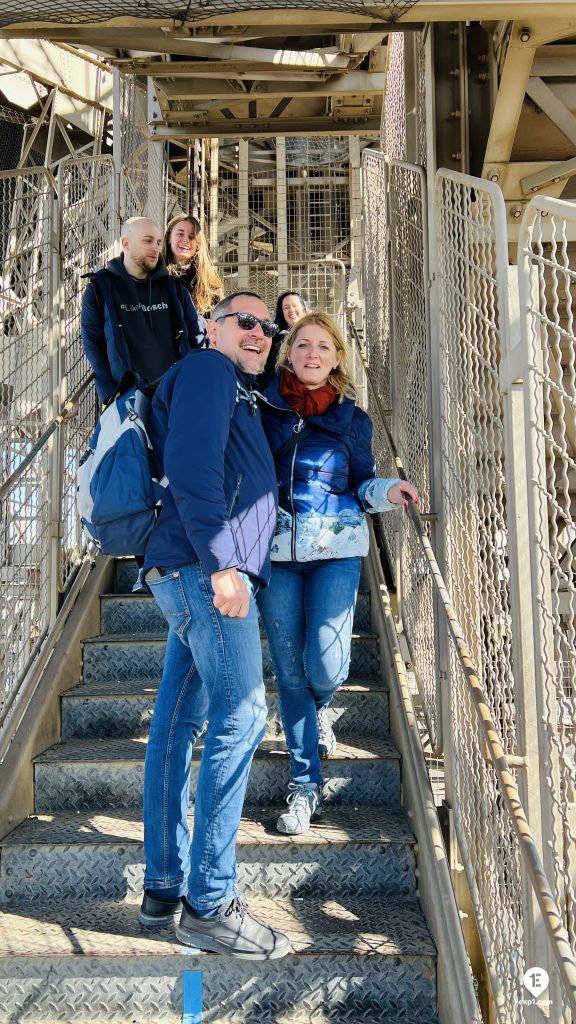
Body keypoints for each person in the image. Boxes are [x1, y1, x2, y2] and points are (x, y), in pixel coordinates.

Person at [138, 291, 290, 960]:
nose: (261, 332)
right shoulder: (207, 371)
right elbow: (193, 469)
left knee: (175, 729)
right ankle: (210, 904)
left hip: (188, 568)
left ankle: (165, 884)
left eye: (269, 327)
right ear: (211, 328)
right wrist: (226, 564)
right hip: (206, 573)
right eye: (246, 321)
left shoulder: (236, 389)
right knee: (244, 713)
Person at [257, 311, 419, 836]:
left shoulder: (354, 419)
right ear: (289, 354)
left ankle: (323, 706)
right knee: (290, 670)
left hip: (336, 549)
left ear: (336, 358)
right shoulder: (263, 409)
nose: (311, 353)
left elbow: (362, 484)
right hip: (276, 552)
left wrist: (389, 491)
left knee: (323, 667)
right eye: (302, 344)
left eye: (323, 346)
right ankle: (305, 786)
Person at [81, 216, 205, 406]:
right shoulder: (100, 288)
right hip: (126, 399)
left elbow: (196, 338)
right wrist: (109, 393)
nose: (156, 248)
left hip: (175, 396)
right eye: (147, 241)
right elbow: (93, 345)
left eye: (158, 242)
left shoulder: (175, 289)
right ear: (126, 244)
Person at [163, 213, 224, 316]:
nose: (186, 240)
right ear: (169, 237)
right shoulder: (152, 277)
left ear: (198, 244)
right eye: (180, 234)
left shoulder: (211, 285)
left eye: (191, 236)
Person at [260, 290, 308, 384]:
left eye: (295, 305)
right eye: (286, 307)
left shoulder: (317, 333)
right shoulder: (276, 338)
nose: (291, 310)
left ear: (303, 308)